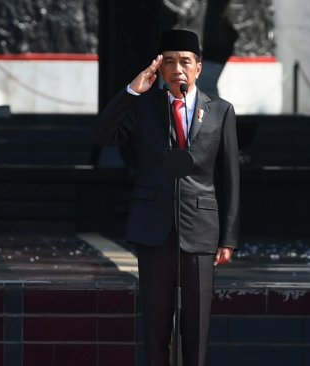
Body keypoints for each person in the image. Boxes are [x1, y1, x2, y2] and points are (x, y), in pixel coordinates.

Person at [93, 29, 239, 366]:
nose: (178, 69)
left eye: (185, 62)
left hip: (201, 230)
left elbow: (230, 177)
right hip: (153, 228)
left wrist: (228, 238)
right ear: (159, 68)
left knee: (196, 325)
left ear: (198, 68)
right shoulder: (144, 109)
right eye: (169, 62)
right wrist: (132, 91)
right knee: (156, 324)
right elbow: (101, 134)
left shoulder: (220, 111)